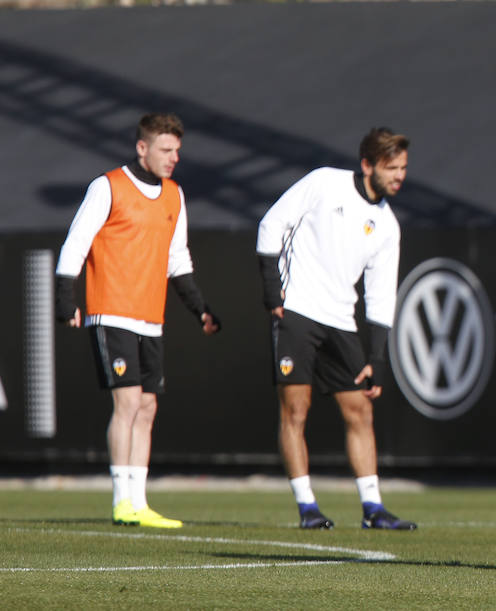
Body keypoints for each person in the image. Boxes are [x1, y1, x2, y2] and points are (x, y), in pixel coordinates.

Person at [55, 112, 221, 529]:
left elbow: (177, 259)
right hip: (112, 310)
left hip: (151, 317)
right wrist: (64, 298)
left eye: (177, 150)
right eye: (166, 150)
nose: (173, 157)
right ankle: (121, 500)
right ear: (142, 148)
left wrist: (199, 307)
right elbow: (75, 244)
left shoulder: (174, 195)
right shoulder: (107, 186)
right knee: (127, 402)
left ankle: (139, 500)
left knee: (147, 406)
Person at [256, 127, 417, 531]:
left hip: (341, 321)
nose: (399, 175)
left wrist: (377, 358)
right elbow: (270, 225)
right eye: (391, 167)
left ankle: (373, 508)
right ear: (367, 165)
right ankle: (307, 506)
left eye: (403, 168)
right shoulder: (323, 183)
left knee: (360, 410)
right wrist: (273, 293)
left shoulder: (388, 227)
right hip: (295, 311)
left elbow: (381, 296)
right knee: (296, 409)